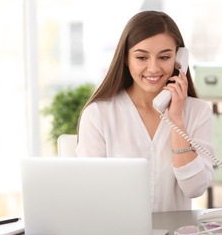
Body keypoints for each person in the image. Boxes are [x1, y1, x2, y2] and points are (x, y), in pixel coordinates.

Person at [75, 11, 214, 212]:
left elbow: (194, 188)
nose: (153, 68)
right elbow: (89, 192)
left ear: (179, 59)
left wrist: (176, 120)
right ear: (125, 58)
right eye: (141, 57)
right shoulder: (98, 114)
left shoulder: (197, 112)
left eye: (165, 57)